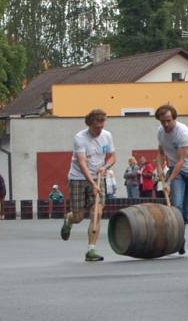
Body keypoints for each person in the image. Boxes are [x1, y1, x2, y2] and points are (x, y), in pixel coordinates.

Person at [60, 109, 116, 262]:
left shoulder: (107, 136)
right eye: (96, 126)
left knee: (96, 213)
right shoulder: (80, 138)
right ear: (90, 124)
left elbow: (112, 157)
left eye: (102, 125)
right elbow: (82, 162)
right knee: (79, 217)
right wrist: (92, 183)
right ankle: (69, 219)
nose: (99, 129)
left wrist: (104, 168)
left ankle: (91, 250)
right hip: (78, 178)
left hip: (99, 177)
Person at [155, 104, 188, 255]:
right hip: (177, 172)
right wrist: (159, 169)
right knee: (176, 205)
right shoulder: (160, 132)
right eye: (162, 121)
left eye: (168, 121)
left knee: (186, 210)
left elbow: (180, 160)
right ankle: (178, 240)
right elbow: (160, 152)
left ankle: (181, 236)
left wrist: (169, 181)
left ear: (174, 119)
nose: (165, 124)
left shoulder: (183, 132)